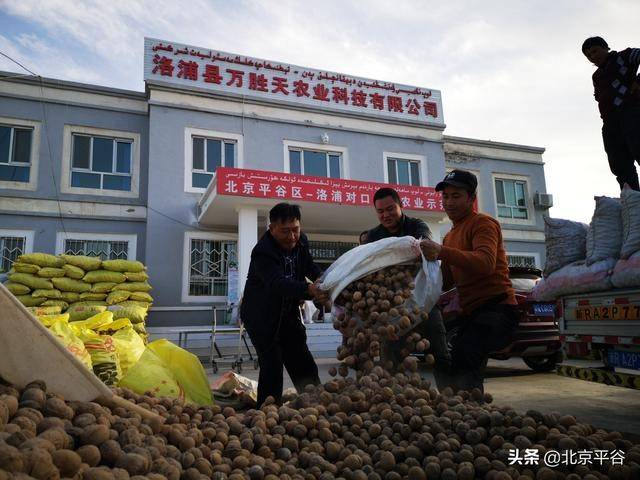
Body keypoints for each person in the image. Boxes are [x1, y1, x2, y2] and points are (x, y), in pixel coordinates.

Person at [420, 169, 518, 393]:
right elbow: (444, 282)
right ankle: (469, 411)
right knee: (458, 363)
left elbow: (485, 263)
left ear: (472, 199)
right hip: (471, 314)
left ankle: (472, 415)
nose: (449, 202)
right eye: (445, 196)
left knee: (465, 359)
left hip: (498, 309)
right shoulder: (449, 236)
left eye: (456, 196)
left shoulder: (484, 224)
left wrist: (442, 252)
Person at [363, 187, 450, 385]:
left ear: (401, 206)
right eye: (380, 211)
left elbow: (424, 244)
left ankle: (452, 397)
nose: (386, 215)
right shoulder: (373, 236)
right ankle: (392, 402)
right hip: (392, 306)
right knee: (390, 361)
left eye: (390, 208)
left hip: (423, 301)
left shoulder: (416, 225)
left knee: (441, 354)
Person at [241, 202, 325, 406]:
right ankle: (267, 414)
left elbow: (309, 267)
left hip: (287, 313)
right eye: (285, 231)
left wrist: (325, 280)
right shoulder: (263, 252)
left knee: (302, 361)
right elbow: (276, 284)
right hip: (261, 316)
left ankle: (317, 405)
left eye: (295, 230)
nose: (292, 237)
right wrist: (309, 291)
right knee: (272, 366)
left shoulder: (301, 242)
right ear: (272, 229)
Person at [582, 36, 640, 190]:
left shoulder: (624, 56)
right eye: (588, 55)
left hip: (631, 111)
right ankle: (632, 200)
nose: (593, 57)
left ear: (606, 47)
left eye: (595, 51)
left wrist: (638, 81)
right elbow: (598, 97)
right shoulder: (596, 76)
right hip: (609, 122)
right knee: (620, 164)